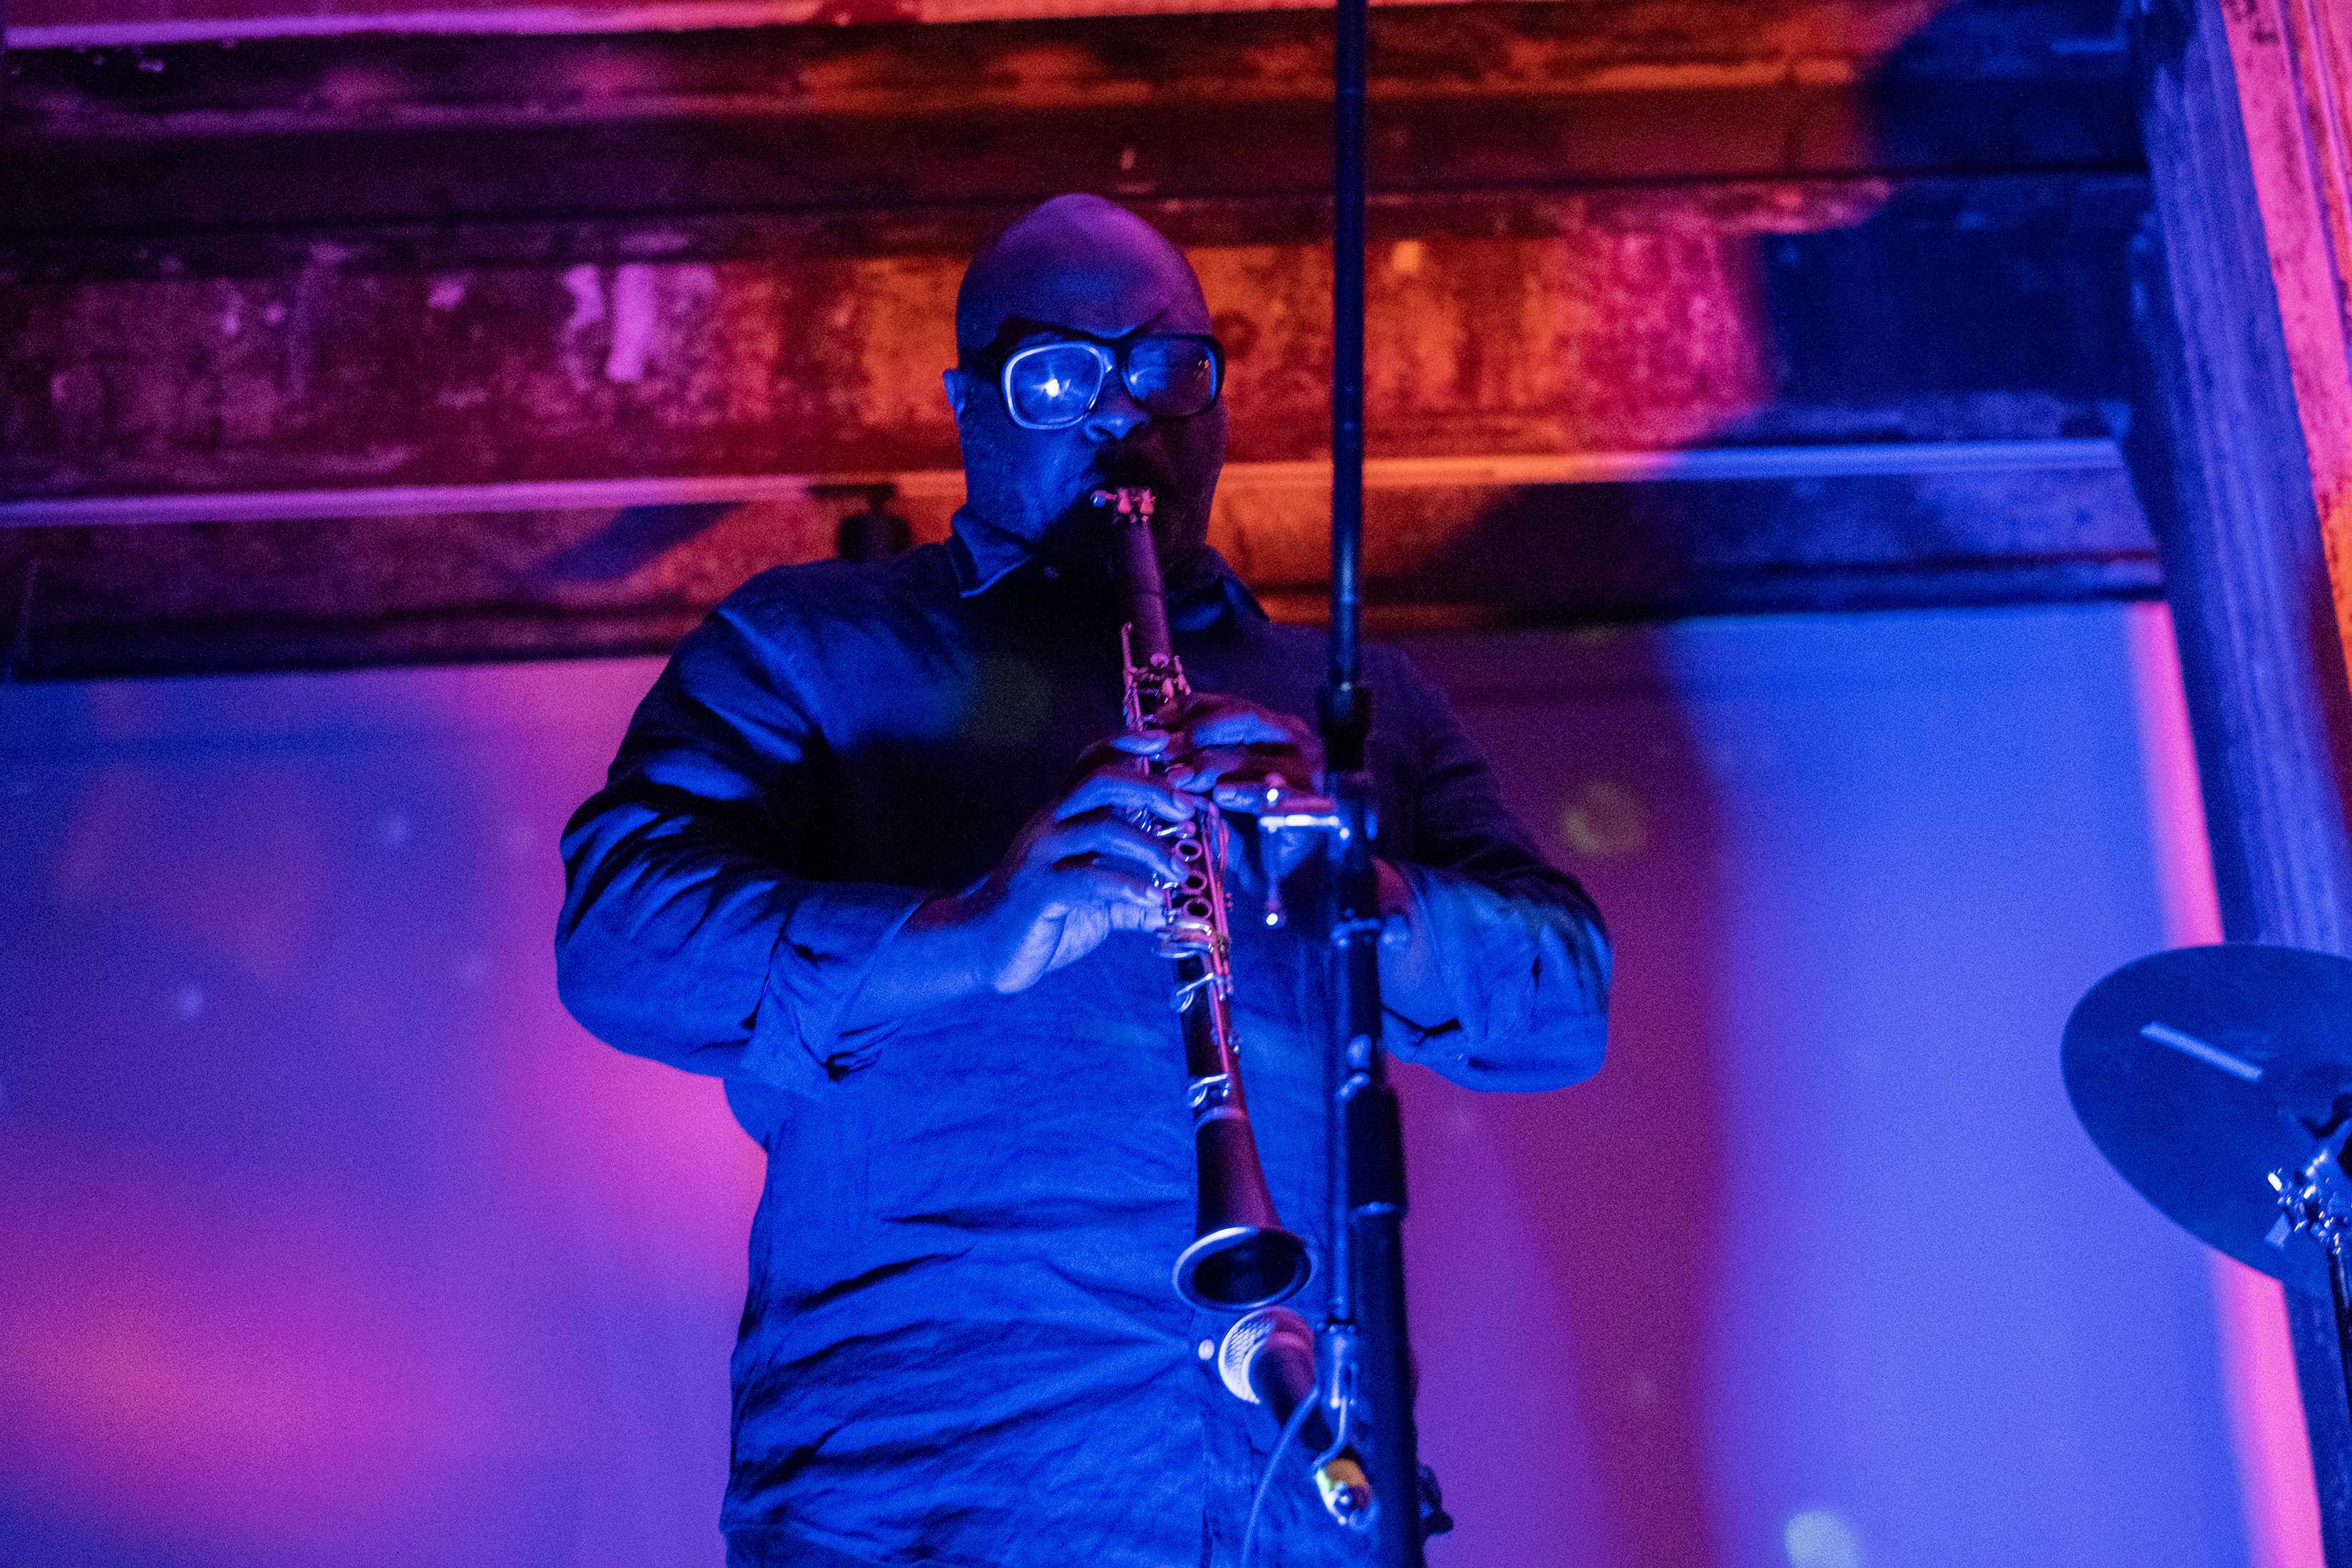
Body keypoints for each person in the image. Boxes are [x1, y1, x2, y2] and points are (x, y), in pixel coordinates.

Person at [555, 193, 1610, 1568]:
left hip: (1280, 1491)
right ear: (968, 404)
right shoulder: (804, 646)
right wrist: (967, 934)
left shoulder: (1351, 704)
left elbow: (1567, 1006)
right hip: (925, 1489)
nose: (1126, 418)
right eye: (1058, 375)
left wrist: (1364, 887)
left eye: (1171, 369)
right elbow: (619, 943)